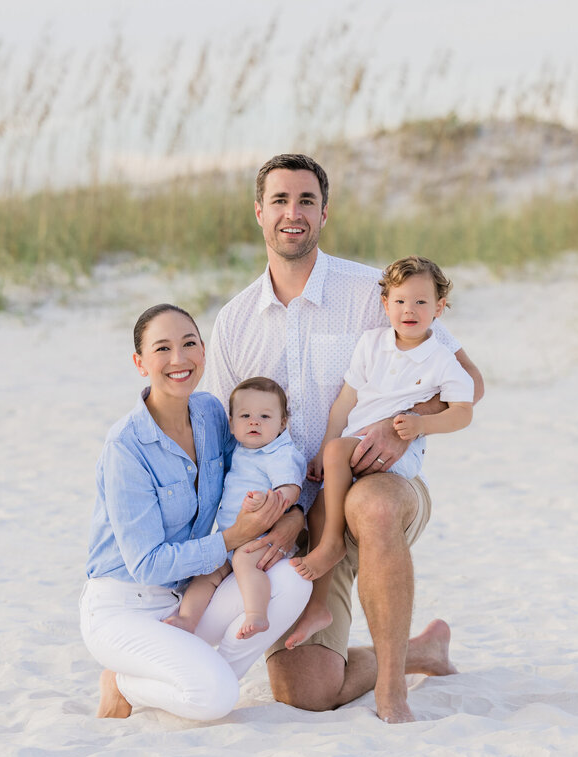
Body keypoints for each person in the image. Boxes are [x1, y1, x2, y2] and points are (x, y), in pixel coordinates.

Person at [202, 154, 485, 723]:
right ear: (259, 212)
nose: (293, 212)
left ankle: (391, 691)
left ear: (324, 212)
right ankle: (417, 652)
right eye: (279, 200)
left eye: (306, 200)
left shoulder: (375, 292)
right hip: (289, 519)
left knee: (372, 502)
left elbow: (466, 382)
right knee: (306, 691)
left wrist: (401, 426)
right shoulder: (234, 322)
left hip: (375, 488)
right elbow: (218, 445)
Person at [80, 303, 312, 721]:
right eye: (162, 348)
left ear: (203, 351)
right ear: (140, 363)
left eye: (189, 344)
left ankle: (197, 671)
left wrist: (293, 511)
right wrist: (232, 537)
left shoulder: (210, 414)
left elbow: (255, 464)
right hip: (125, 606)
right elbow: (148, 565)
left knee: (293, 582)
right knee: (215, 699)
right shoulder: (126, 449)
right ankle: (123, 680)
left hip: (189, 597)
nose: (179, 359)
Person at [293, 256, 475, 626]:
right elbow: (346, 400)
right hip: (351, 445)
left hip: (398, 454)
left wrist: (422, 425)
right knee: (320, 510)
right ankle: (317, 607)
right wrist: (323, 453)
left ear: (439, 307)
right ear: (385, 304)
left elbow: (463, 411)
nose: (410, 310)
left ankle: (331, 545)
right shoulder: (371, 343)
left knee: (337, 455)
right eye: (400, 301)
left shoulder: (440, 359)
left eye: (421, 302)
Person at [164, 377, 307, 641]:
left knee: (244, 561)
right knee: (205, 573)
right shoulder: (240, 450)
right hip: (231, 536)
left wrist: (270, 500)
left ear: (282, 424)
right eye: (245, 416)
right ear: (231, 424)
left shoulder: (279, 453)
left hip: (262, 537)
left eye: (265, 416)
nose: (254, 422)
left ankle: (257, 613)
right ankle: (187, 619)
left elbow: (291, 488)